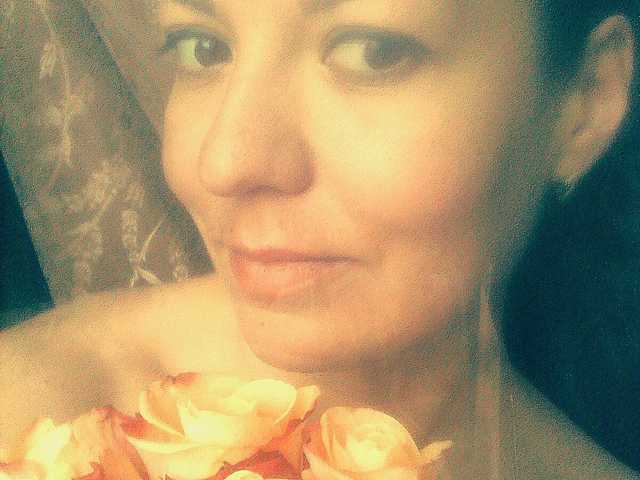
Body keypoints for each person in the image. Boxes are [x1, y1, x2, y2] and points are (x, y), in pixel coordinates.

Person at [1, 0, 639, 478]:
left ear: (585, 102)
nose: (224, 162)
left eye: (371, 51)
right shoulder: (37, 418)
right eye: (202, 48)